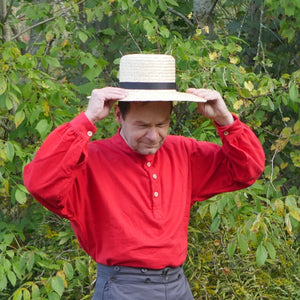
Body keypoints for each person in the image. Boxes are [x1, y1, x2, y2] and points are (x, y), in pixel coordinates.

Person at [23, 54, 265, 299]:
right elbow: (41, 183)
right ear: (119, 115)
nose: (153, 136)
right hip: (122, 288)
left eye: (162, 124)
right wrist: (86, 120)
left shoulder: (183, 151)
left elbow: (247, 170)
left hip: (177, 285)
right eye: (142, 126)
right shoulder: (91, 159)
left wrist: (226, 121)